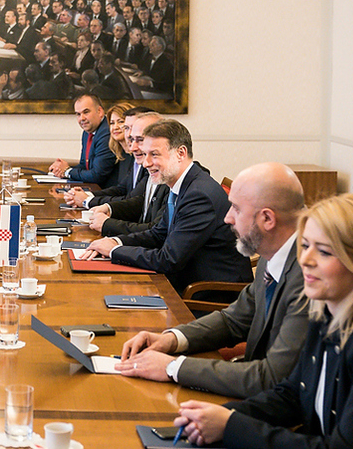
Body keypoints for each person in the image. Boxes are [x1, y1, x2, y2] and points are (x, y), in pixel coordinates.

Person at [172, 194, 353, 449]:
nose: (306, 260)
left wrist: (231, 426)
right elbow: (293, 395)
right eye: (305, 245)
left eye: (324, 251)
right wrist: (221, 416)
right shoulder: (326, 315)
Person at [117, 163, 310, 398]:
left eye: (236, 209)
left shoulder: (308, 279)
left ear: (267, 219)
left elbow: (271, 378)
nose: (227, 218)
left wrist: (172, 367)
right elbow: (233, 321)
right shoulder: (274, 256)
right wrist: (172, 339)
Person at [86, 119, 253, 294]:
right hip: (184, 280)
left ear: (181, 153)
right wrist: (115, 241)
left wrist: (115, 251)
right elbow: (158, 233)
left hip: (208, 294)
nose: (146, 163)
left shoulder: (199, 194)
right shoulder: (180, 184)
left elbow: (168, 259)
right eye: (145, 154)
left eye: (155, 154)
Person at [48, 93, 118, 187]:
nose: (82, 118)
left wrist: (68, 171)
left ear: (100, 111)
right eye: (78, 114)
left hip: (107, 192)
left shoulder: (106, 133)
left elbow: (97, 175)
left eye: (86, 112)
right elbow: (84, 165)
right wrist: (61, 169)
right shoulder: (87, 133)